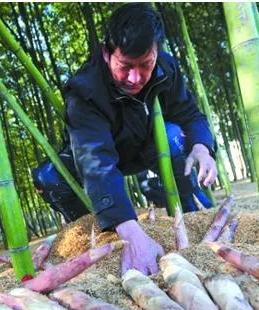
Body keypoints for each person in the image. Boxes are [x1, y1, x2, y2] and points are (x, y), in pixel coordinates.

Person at [33, 3, 217, 275]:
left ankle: (193, 213)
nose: (135, 78)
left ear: (156, 52)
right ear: (107, 53)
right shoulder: (84, 89)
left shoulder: (166, 67)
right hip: (96, 155)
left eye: (145, 65)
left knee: (175, 136)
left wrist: (202, 147)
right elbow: (96, 161)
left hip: (145, 144)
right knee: (49, 178)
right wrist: (130, 231)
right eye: (125, 66)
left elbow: (189, 113)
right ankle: (97, 231)